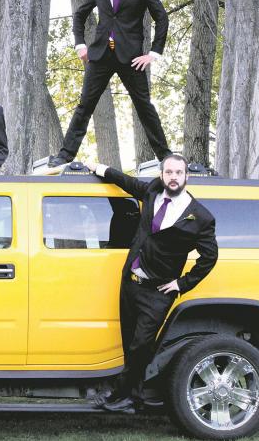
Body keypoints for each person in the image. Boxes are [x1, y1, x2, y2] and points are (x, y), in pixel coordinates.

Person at [91, 154, 217, 412]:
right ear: (162, 174)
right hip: (131, 283)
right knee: (129, 342)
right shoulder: (151, 191)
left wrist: (182, 284)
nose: (173, 177)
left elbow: (210, 257)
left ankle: (118, 393)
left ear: (186, 176)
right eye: (168, 172)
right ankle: (133, 397)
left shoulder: (200, 216)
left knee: (140, 345)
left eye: (178, 173)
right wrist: (98, 168)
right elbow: (126, 182)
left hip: (158, 292)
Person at [49, 0, 172, 167]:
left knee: (144, 106)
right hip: (100, 55)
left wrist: (153, 54)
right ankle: (64, 155)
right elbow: (79, 15)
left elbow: (162, 18)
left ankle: (165, 156)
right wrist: (80, 45)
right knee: (85, 105)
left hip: (132, 58)